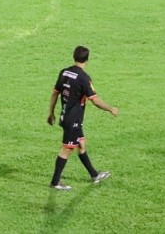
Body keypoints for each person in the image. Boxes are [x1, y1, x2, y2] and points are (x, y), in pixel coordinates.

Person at [47, 45, 119, 190]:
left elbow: (55, 93)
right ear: (87, 59)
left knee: (81, 144)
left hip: (66, 116)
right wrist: (111, 108)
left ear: (74, 56)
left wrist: (51, 112)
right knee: (67, 149)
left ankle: (94, 175)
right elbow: (95, 100)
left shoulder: (64, 72)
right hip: (72, 120)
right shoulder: (84, 78)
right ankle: (55, 182)